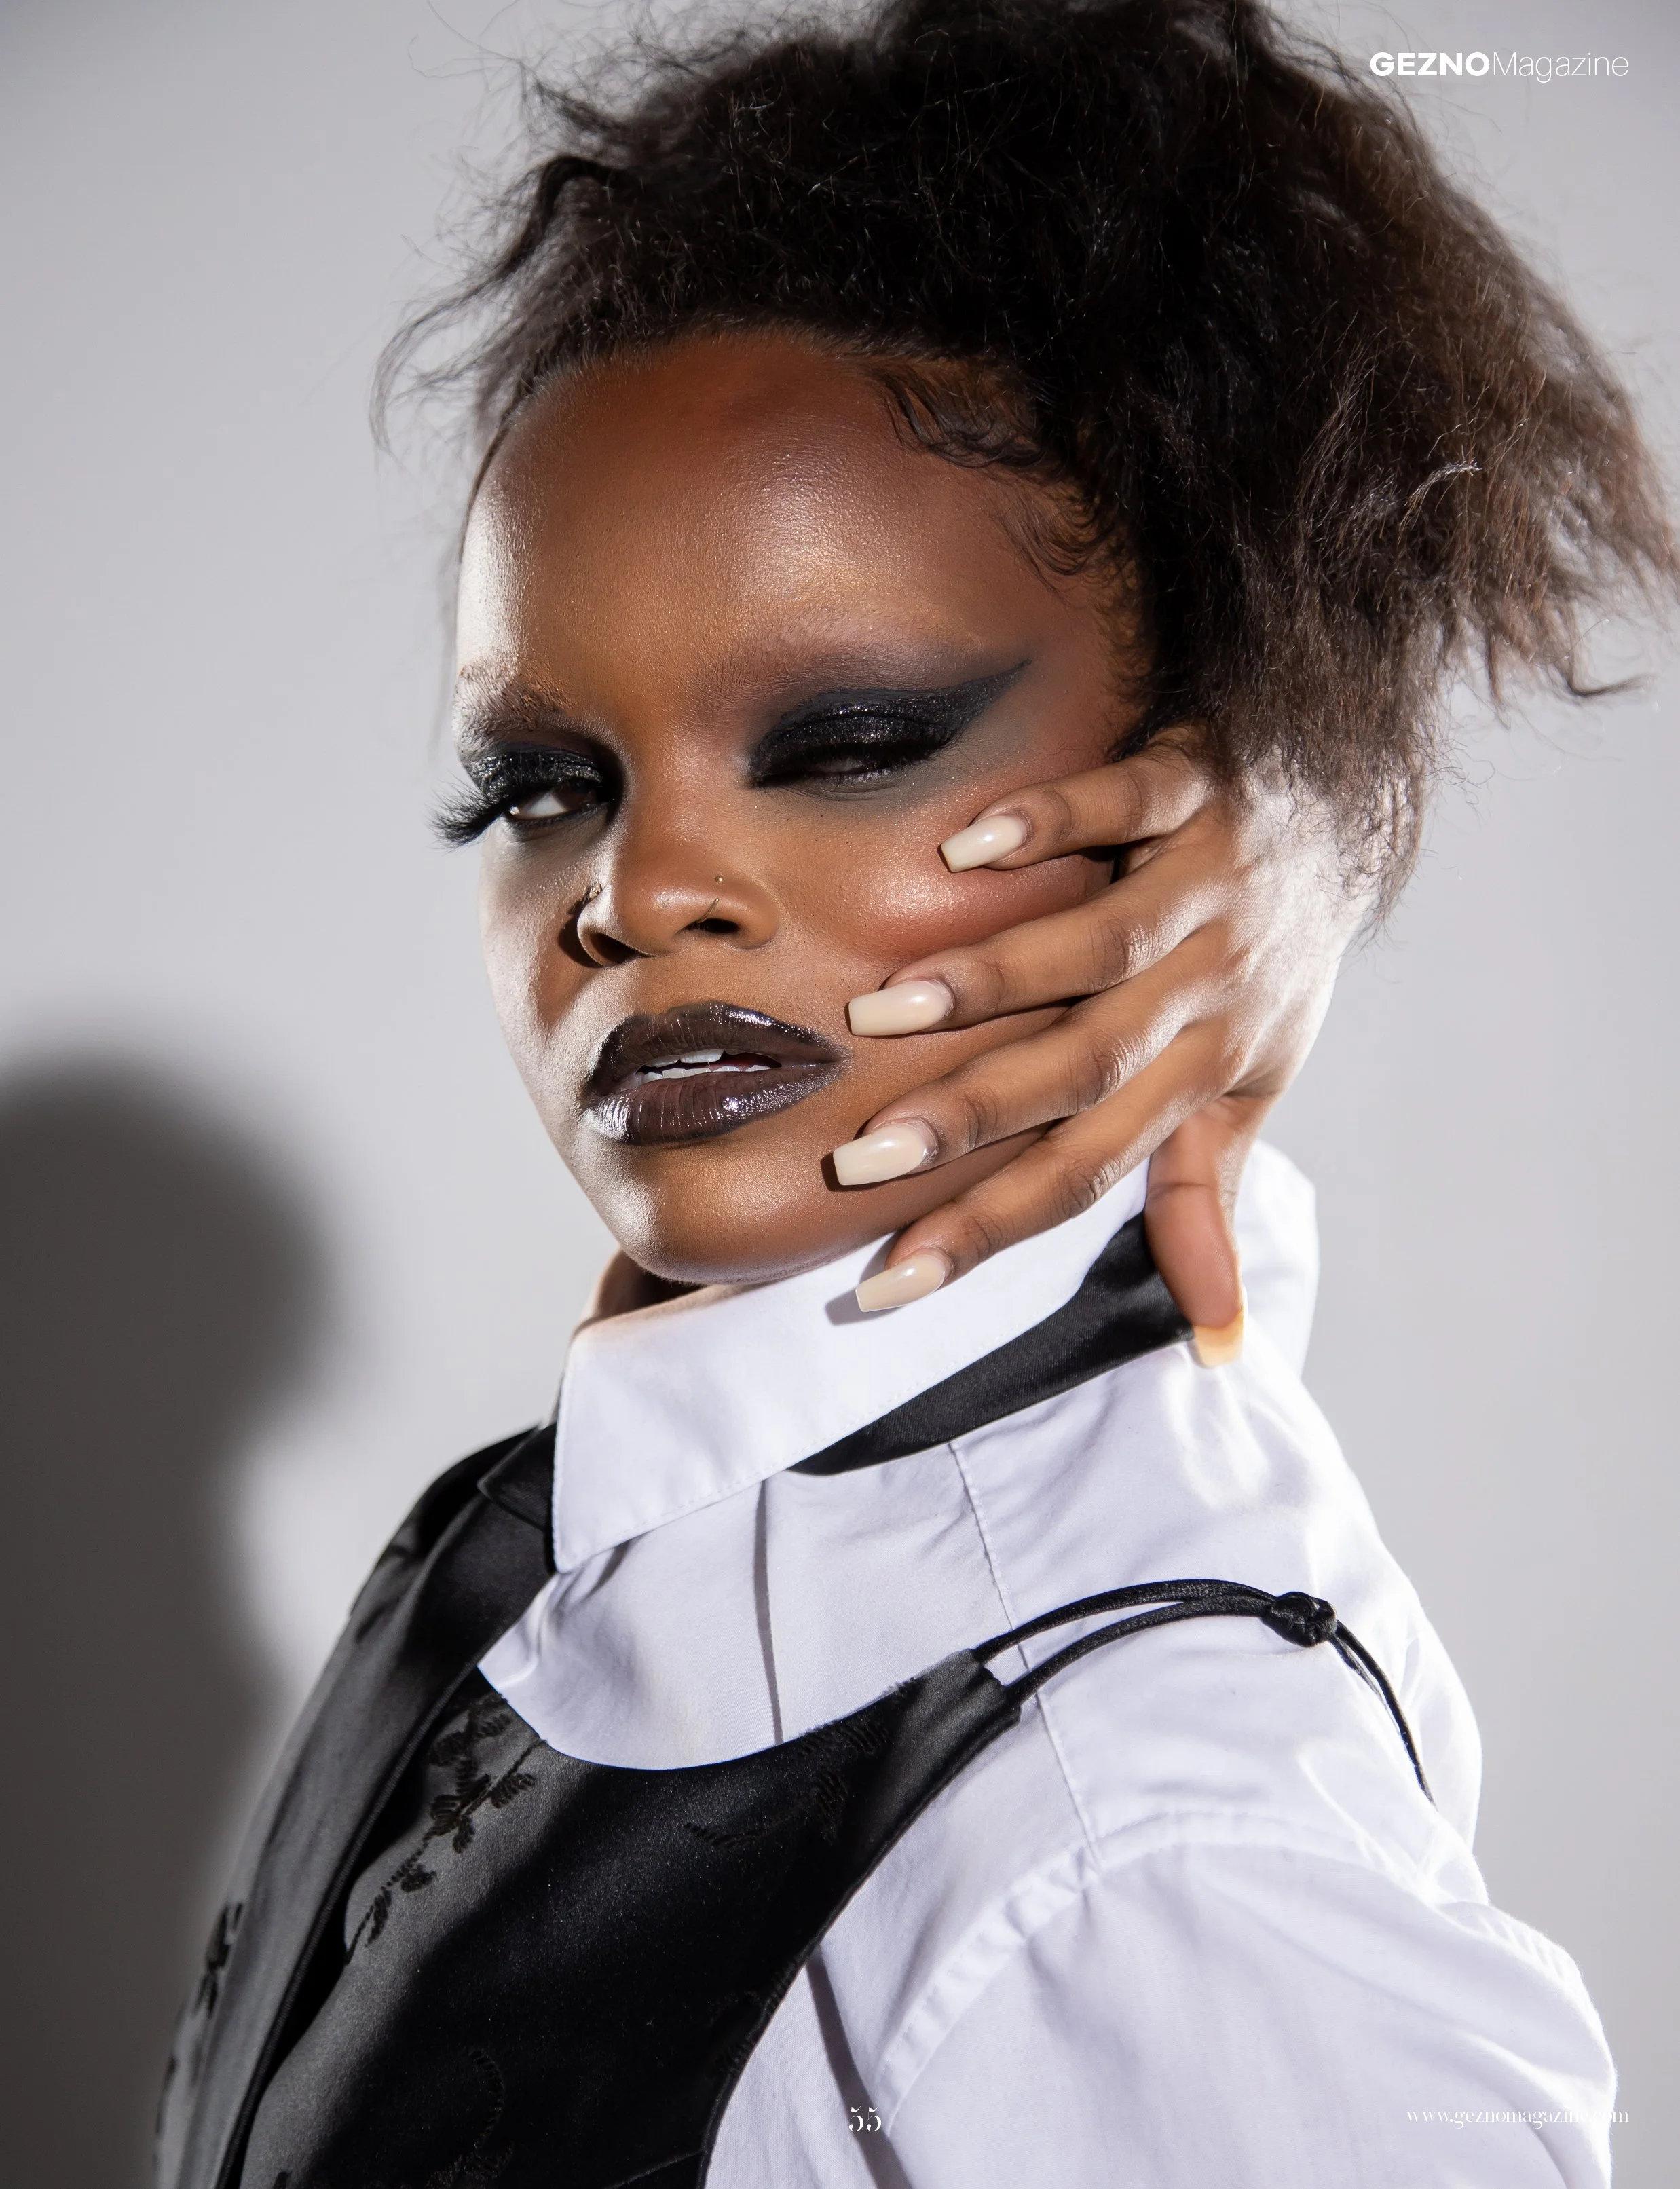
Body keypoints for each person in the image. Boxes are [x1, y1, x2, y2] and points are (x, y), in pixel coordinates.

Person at [155, 1, 1673, 2184]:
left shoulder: (1148, 1842)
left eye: (852, 742)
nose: (641, 892)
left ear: (1212, 821)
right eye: (544, 786)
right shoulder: (504, 1554)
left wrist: (1335, 781)